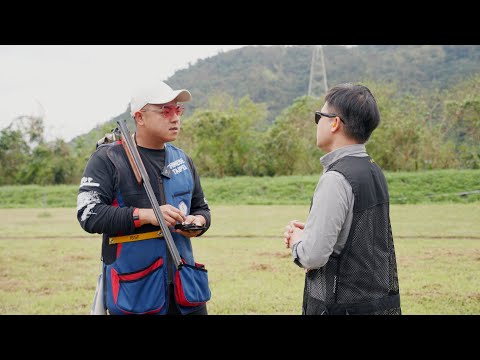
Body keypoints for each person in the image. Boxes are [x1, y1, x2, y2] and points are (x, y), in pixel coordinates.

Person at [77, 81, 211, 315]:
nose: (175, 118)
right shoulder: (107, 158)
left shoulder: (183, 160)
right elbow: (89, 214)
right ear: (139, 117)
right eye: (165, 111)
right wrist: (148, 215)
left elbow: (201, 208)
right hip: (134, 293)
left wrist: (198, 223)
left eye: (178, 110)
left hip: (187, 291)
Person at [283, 83, 401, 315]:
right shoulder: (373, 170)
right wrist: (317, 231)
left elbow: (313, 256)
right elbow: (360, 237)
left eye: (320, 116)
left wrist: (298, 240)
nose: (317, 124)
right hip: (375, 304)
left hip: (342, 306)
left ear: (334, 122)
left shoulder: (336, 178)